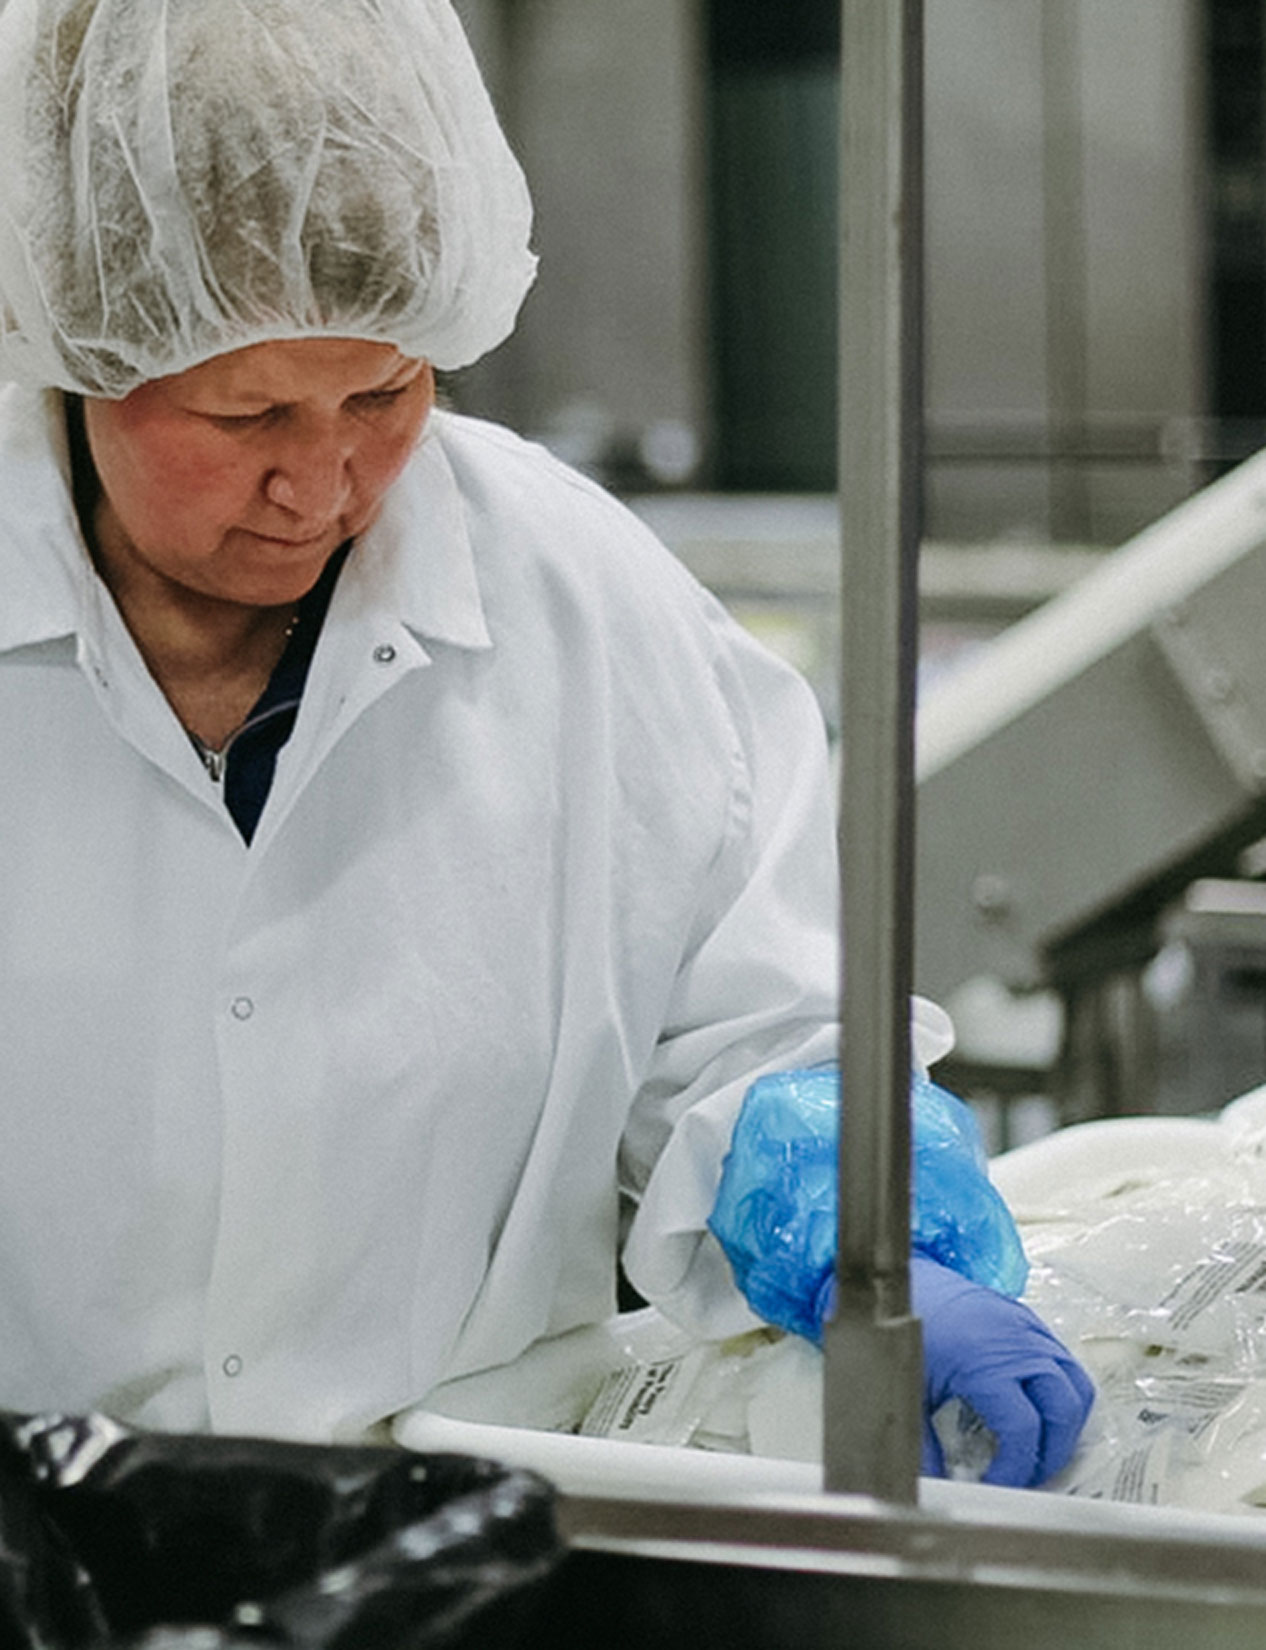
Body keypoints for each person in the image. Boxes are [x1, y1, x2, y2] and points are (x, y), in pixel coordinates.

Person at [0, 0, 1091, 1484]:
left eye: (384, 391)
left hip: (469, 1558)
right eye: (244, 411)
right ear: (69, 340)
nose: (320, 483)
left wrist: (857, 1232)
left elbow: (751, 1029)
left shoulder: (577, 596)